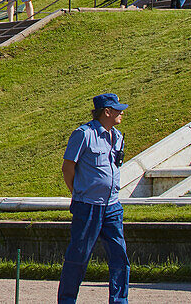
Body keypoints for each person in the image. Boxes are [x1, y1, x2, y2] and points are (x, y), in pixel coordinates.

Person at [58, 93, 130, 304]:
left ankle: (119, 301)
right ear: (106, 111)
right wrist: (78, 192)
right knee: (78, 258)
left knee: (120, 257)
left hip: (113, 206)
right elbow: (67, 168)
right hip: (87, 207)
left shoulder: (116, 136)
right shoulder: (83, 134)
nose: (122, 112)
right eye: (118, 109)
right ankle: (67, 301)